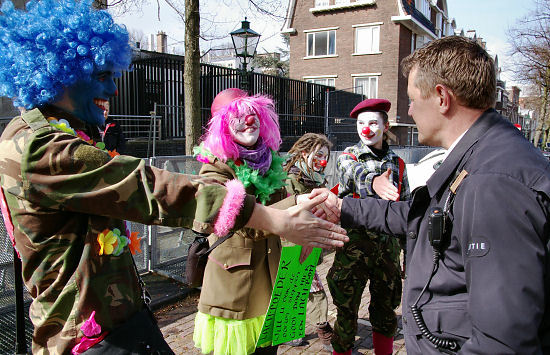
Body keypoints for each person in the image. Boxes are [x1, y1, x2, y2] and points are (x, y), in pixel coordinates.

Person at [0, 2, 347, 354]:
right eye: (102, 76)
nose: (114, 90)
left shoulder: (74, 133)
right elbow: (148, 186)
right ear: (61, 73)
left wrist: (299, 207)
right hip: (90, 337)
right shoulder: (38, 145)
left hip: (123, 319)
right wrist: (277, 217)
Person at [311, 35, 550, 354]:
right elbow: (423, 215)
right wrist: (343, 208)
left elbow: (503, 340)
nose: (408, 111)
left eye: (412, 98)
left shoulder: (493, 182)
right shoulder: (480, 157)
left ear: (441, 98)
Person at [192, 88, 323, 355]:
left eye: (253, 114)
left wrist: (312, 225)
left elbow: (287, 209)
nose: (248, 121)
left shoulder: (270, 162)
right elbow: (241, 221)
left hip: (273, 280)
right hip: (235, 286)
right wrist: (296, 204)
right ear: (222, 126)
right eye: (238, 116)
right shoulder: (215, 168)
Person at [329, 98, 409, 355]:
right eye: (361, 123)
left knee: (386, 312)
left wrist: (409, 252)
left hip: (387, 250)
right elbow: (352, 173)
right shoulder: (348, 156)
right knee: (346, 310)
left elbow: (406, 210)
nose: (367, 128)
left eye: (373, 122)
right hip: (353, 248)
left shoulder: (398, 164)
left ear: (385, 126)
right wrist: (373, 182)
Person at [282, 133, 334, 351]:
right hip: (293, 243)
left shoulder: (313, 177)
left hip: (308, 240)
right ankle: (323, 331)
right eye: (319, 154)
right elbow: (284, 210)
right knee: (311, 287)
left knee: (296, 286)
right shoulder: (290, 179)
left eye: (325, 156)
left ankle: (291, 332)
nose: (323, 160)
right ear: (304, 153)